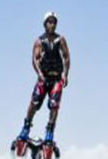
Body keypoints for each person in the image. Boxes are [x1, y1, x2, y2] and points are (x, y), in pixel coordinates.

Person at [16, 12, 71, 146]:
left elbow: (67, 57)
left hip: (56, 78)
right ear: (45, 24)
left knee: (54, 104)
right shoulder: (39, 41)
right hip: (44, 78)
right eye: (49, 22)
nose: (51, 24)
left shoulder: (61, 40)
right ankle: (26, 127)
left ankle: (50, 131)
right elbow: (34, 59)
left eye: (53, 22)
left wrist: (65, 74)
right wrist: (39, 73)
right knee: (34, 101)